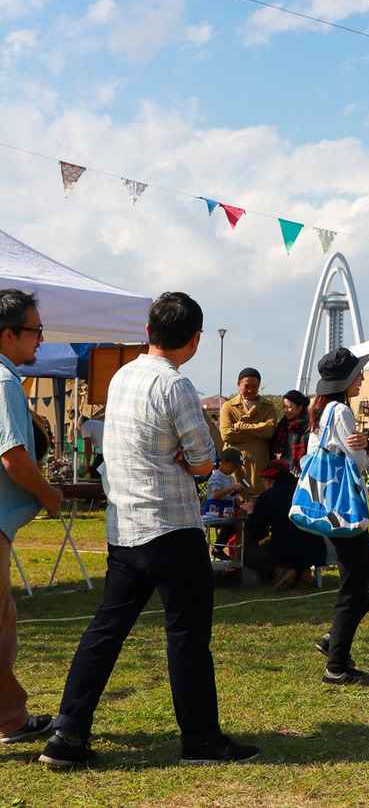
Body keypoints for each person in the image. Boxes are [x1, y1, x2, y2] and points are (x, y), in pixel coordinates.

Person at [40, 292, 258, 768]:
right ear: (196, 339)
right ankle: (200, 739)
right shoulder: (175, 385)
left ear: (148, 331)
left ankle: (68, 733)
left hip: (125, 525)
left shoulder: (122, 376)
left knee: (106, 630)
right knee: (186, 634)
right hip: (171, 526)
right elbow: (204, 460)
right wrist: (191, 460)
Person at [307, 347, 369, 687]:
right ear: (345, 380)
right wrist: (366, 449)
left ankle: (335, 644)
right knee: (358, 584)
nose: (363, 379)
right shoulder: (340, 412)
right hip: (344, 512)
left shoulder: (322, 411)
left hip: (330, 509)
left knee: (366, 580)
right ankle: (336, 663)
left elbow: (314, 457)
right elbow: (361, 465)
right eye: (359, 374)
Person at [0, 290, 61, 746]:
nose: (41, 339)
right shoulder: (3, 382)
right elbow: (14, 459)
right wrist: (50, 495)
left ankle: (10, 717)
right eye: (35, 330)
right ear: (8, 334)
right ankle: (12, 718)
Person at [243, 459, 326, 590]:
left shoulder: (268, 496)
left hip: (287, 550)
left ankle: (283, 571)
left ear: (270, 480)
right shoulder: (305, 490)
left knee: (248, 553)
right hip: (316, 549)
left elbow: (256, 532)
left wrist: (251, 513)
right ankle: (301, 572)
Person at [219, 368, 277, 496]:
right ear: (238, 384)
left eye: (254, 386)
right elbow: (227, 435)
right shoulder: (228, 407)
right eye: (246, 386)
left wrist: (242, 427)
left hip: (259, 466)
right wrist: (257, 433)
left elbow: (269, 431)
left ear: (259, 386)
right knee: (234, 500)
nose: (250, 390)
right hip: (234, 467)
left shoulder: (268, 407)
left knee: (258, 502)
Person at [271, 389, 310, 475]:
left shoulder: (308, 426)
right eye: (284, 407)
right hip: (282, 468)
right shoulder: (283, 424)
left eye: (289, 407)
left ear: (300, 407)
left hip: (300, 470)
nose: (285, 410)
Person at [202, 447, 243, 516]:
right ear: (223, 462)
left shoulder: (231, 478)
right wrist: (232, 488)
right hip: (214, 511)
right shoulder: (216, 477)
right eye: (232, 466)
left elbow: (234, 496)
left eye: (236, 468)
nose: (234, 470)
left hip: (227, 510)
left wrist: (238, 500)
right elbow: (215, 495)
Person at [79, 412, 104, 477]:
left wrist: (87, 464)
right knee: (98, 471)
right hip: (107, 450)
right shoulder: (95, 423)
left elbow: (88, 446)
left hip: (105, 451)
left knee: (94, 472)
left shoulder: (84, 426)